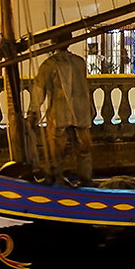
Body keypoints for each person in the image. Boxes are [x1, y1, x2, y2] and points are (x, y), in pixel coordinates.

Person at [33, 45, 97, 181]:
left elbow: (39, 90)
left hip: (59, 112)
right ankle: (85, 179)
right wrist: (91, 109)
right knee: (83, 150)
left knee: (56, 150)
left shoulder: (49, 65)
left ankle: (55, 178)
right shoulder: (79, 62)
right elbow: (86, 88)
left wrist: (32, 112)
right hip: (80, 111)